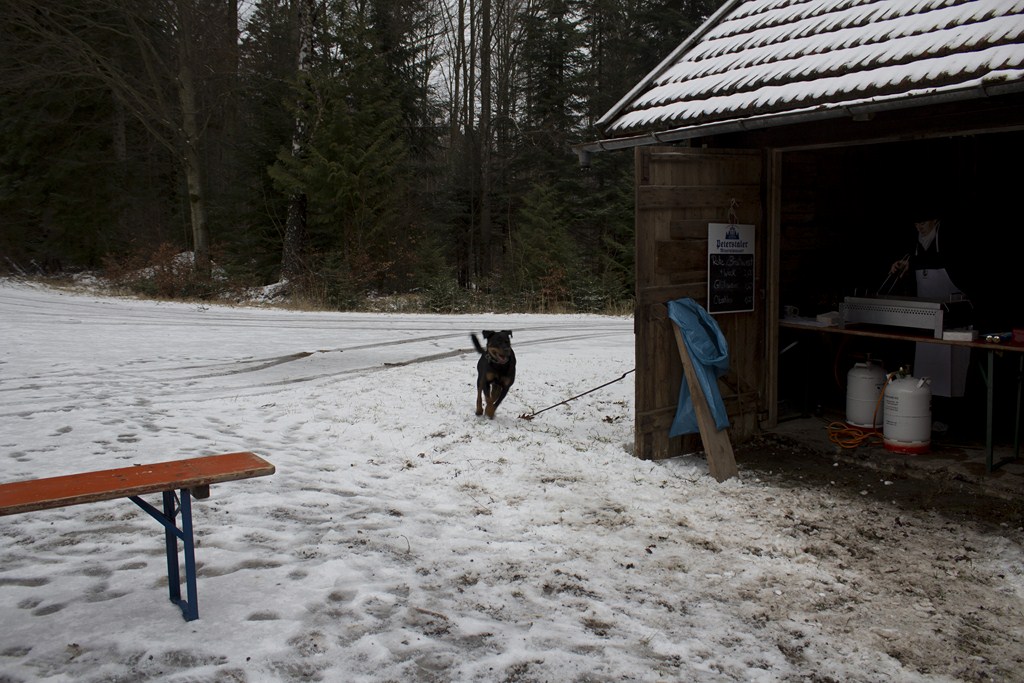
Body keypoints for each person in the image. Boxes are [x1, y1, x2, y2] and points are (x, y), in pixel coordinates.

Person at [889, 214, 971, 431]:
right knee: (926, 372)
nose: (920, 227)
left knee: (951, 372)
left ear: (935, 220)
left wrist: (914, 263)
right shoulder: (915, 244)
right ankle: (925, 415)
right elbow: (915, 270)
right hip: (926, 316)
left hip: (953, 314)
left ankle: (952, 420)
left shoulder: (949, 237)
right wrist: (903, 268)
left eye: (924, 222)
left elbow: (947, 261)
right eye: (916, 223)